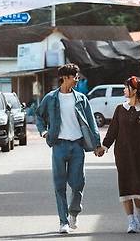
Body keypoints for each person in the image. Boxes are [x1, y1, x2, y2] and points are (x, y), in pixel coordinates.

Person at [36, 63, 102, 234]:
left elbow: (91, 123)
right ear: (65, 78)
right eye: (74, 77)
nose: (77, 80)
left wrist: (96, 144)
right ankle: (63, 221)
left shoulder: (81, 99)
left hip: (77, 145)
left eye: (77, 77)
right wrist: (44, 132)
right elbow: (39, 115)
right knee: (59, 185)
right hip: (58, 146)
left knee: (78, 182)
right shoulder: (51, 98)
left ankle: (74, 212)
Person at [95, 76, 140, 234]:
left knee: (138, 186)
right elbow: (112, 131)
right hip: (123, 155)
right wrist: (104, 146)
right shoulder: (119, 109)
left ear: (135, 90)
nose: (124, 90)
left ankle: (138, 214)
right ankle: (130, 220)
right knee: (125, 186)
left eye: (127, 87)